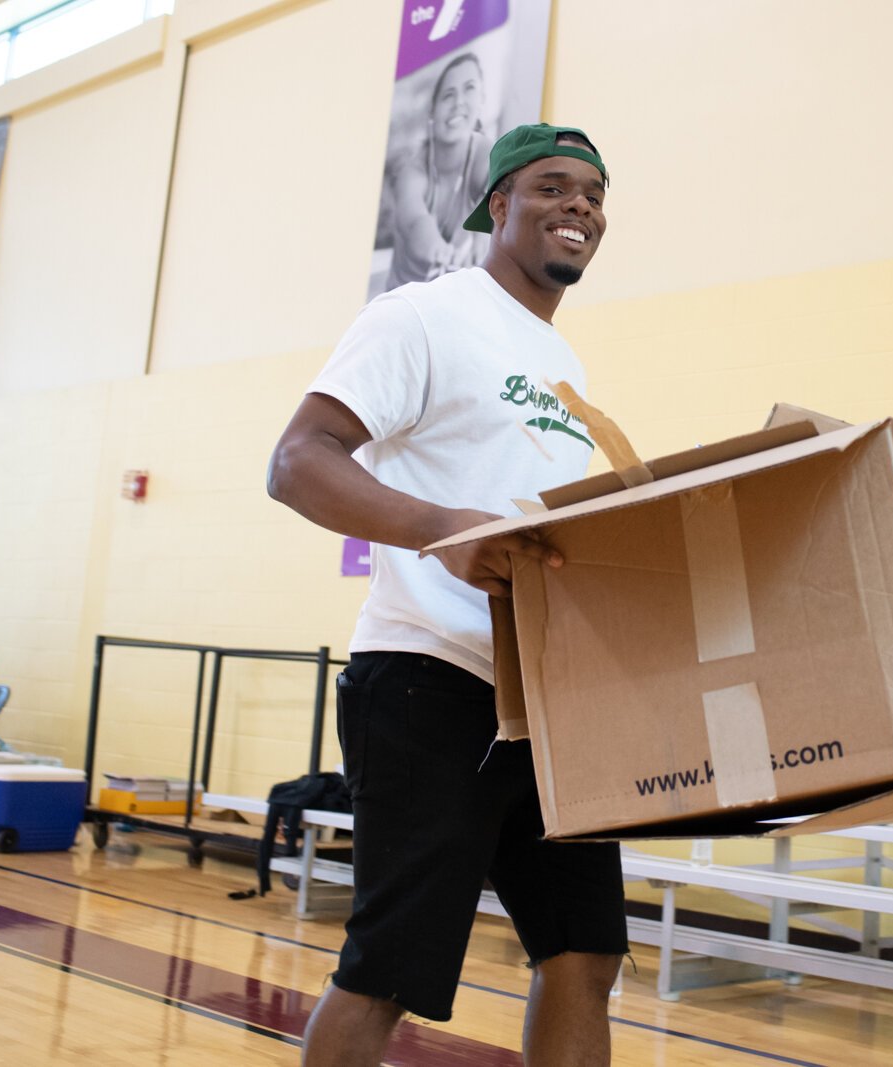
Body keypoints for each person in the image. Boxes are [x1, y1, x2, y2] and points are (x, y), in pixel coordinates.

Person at [267, 123, 624, 1067]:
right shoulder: (422, 316)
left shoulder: (566, 369)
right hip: (429, 681)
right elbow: (298, 462)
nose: (580, 205)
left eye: (593, 193)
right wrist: (444, 531)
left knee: (585, 954)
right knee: (391, 967)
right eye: (553, 186)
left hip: (545, 702)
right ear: (498, 205)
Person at [383, 52, 493, 289]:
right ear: (432, 112)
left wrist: (484, 235)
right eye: (448, 95)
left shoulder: (487, 154)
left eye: (469, 89)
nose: (459, 103)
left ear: (482, 98)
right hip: (404, 303)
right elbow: (414, 220)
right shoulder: (411, 170)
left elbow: (503, 192)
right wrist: (441, 252)